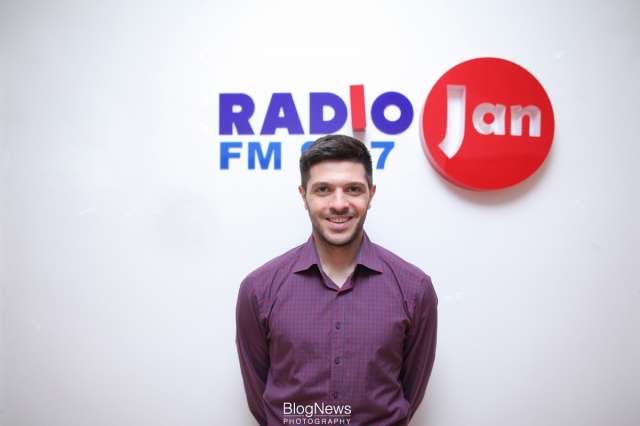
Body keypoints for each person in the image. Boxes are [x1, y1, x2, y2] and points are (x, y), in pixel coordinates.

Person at [235, 134, 438, 425]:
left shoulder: (414, 289)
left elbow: (411, 390)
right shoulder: (259, 290)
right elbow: (260, 397)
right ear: (304, 196)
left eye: (353, 189)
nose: (339, 204)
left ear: (371, 194)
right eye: (323, 190)